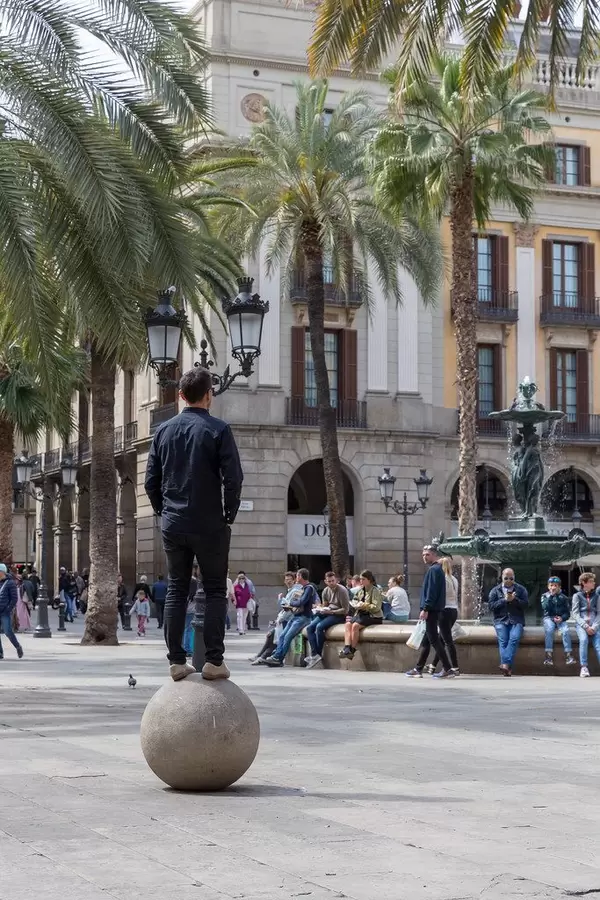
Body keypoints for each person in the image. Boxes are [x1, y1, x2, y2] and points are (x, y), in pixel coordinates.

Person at [145, 366, 243, 681]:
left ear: (181, 395)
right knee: (214, 589)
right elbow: (234, 478)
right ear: (209, 396)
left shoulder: (163, 431)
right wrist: (229, 513)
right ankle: (214, 661)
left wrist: (165, 511)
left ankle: (176, 661)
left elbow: (150, 482)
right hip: (209, 522)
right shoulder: (219, 429)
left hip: (174, 523)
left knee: (176, 589)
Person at [405, 545, 454, 679]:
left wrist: (425, 608)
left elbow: (431, 592)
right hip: (434, 609)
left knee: (433, 640)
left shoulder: (434, 570)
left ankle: (448, 668)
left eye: (427, 554)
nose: (424, 557)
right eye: (423, 555)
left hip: (431, 610)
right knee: (427, 640)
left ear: (434, 555)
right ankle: (418, 668)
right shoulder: (438, 570)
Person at [264, 568, 318, 668]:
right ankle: (276, 656)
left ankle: (279, 658)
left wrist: (290, 603)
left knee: (288, 636)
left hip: (303, 618)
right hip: (296, 616)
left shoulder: (309, 588)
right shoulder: (303, 588)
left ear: (301, 576)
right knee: (282, 635)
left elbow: (301, 602)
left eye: (297, 575)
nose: (296, 577)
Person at [249, 572, 301, 666]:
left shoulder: (295, 591)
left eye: (290, 579)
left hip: (288, 620)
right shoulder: (290, 590)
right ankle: (261, 656)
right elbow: (286, 607)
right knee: (272, 635)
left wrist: (280, 618)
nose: (288, 581)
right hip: (285, 619)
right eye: (286, 579)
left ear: (294, 580)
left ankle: (264, 657)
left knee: (275, 636)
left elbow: (289, 608)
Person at [488, 568, 529, 676]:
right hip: (501, 620)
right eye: (506, 578)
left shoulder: (521, 589)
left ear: (514, 577)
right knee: (503, 641)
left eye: (511, 578)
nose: (508, 580)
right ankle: (507, 667)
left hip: (516, 619)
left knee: (514, 638)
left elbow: (526, 604)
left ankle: (505, 664)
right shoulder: (495, 590)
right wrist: (504, 600)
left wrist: (514, 600)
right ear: (502, 577)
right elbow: (491, 606)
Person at [305, 571, 349, 668]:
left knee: (320, 627)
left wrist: (332, 612)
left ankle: (318, 654)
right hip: (327, 612)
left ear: (336, 580)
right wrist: (319, 607)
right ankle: (314, 654)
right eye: (329, 581)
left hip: (338, 615)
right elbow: (325, 605)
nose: (331, 583)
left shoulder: (342, 590)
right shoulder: (325, 591)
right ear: (326, 581)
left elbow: (346, 609)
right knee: (309, 628)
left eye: (333, 581)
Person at [425, 557, 460, 676]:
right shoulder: (454, 579)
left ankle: (454, 667)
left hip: (444, 610)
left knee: (447, 640)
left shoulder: (442, 578)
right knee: (441, 639)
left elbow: (439, 595)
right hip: (454, 610)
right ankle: (433, 665)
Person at [339, 569, 383, 660]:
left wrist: (364, 605)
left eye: (363, 579)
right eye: (360, 579)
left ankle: (352, 650)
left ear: (369, 580)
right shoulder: (360, 590)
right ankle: (347, 648)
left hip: (373, 615)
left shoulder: (375, 591)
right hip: (361, 614)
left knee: (355, 626)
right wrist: (355, 604)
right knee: (348, 624)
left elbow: (377, 607)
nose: (361, 581)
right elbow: (355, 599)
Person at [541, 575, 575, 667]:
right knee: (549, 630)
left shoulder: (563, 598)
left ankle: (568, 655)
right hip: (549, 617)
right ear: (548, 586)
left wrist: (562, 618)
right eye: (551, 585)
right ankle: (548, 656)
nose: (553, 587)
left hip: (560, 618)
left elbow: (567, 613)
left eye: (556, 585)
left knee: (565, 631)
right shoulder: (544, 596)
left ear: (559, 587)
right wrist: (550, 597)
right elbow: (545, 607)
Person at [572, 572, 600, 678]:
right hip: (582, 625)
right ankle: (584, 667)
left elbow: (599, 613)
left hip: (594, 625)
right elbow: (575, 614)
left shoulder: (597, 596)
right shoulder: (577, 596)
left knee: (598, 645)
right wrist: (585, 626)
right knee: (583, 640)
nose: (594, 584)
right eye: (592, 581)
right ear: (584, 583)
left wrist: (594, 626)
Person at [0, 564, 23, 659]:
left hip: (4, 612)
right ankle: (0, 653)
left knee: (8, 632)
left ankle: (18, 647)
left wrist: (8, 609)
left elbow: (14, 599)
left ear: (2, 572)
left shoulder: (10, 583)